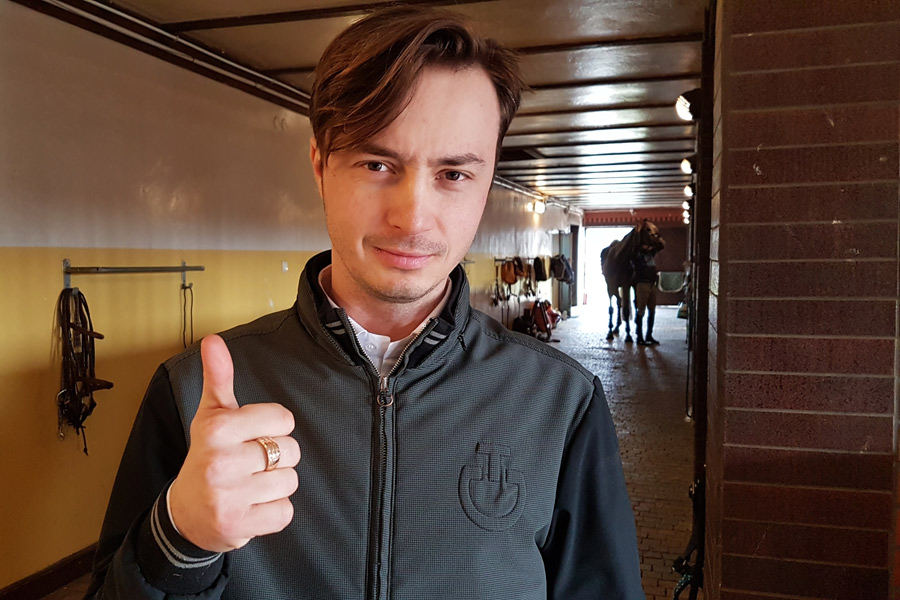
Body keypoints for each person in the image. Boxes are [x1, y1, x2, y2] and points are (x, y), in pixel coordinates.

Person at [84, 6, 644, 599]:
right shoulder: (193, 394)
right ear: (321, 167)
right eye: (377, 163)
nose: (412, 217)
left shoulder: (561, 402)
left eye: (453, 174)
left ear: (486, 183)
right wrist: (178, 539)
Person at [632, 235, 663, 346]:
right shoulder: (636, 255)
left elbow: (660, 245)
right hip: (642, 284)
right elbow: (634, 249)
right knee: (641, 310)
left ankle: (649, 335)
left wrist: (652, 241)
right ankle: (639, 336)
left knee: (652, 310)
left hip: (651, 284)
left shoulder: (650, 253)